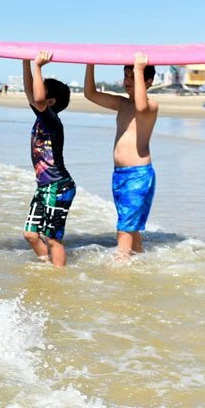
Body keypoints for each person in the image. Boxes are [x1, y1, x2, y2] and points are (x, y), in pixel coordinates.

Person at [84, 53, 158, 260]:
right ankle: (140, 266)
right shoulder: (122, 104)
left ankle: (120, 271)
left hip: (138, 175)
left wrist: (139, 69)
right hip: (119, 175)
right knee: (130, 227)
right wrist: (90, 62)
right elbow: (90, 94)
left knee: (124, 228)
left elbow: (141, 106)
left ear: (148, 81)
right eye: (126, 76)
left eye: (133, 77)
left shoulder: (152, 106)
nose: (128, 81)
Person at [21, 51, 76, 267]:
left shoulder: (53, 120)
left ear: (51, 101)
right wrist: (25, 61)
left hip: (58, 185)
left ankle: (59, 279)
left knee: (53, 239)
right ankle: (47, 269)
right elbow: (31, 93)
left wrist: (38, 67)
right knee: (31, 234)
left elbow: (38, 98)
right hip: (44, 186)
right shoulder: (41, 115)